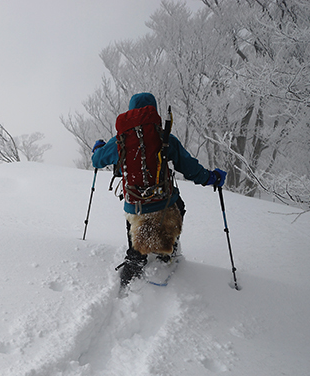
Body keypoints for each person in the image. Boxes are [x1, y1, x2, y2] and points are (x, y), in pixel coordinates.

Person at [91, 92, 226, 289]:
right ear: (153, 110)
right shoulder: (164, 137)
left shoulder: (120, 140)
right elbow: (190, 168)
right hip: (164, 201)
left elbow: (97, 160)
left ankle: (135, 258)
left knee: (133, 216)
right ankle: (167, 249)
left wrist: (98, 148)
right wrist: (212, 177)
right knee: (179, 205)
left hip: (135, 204)